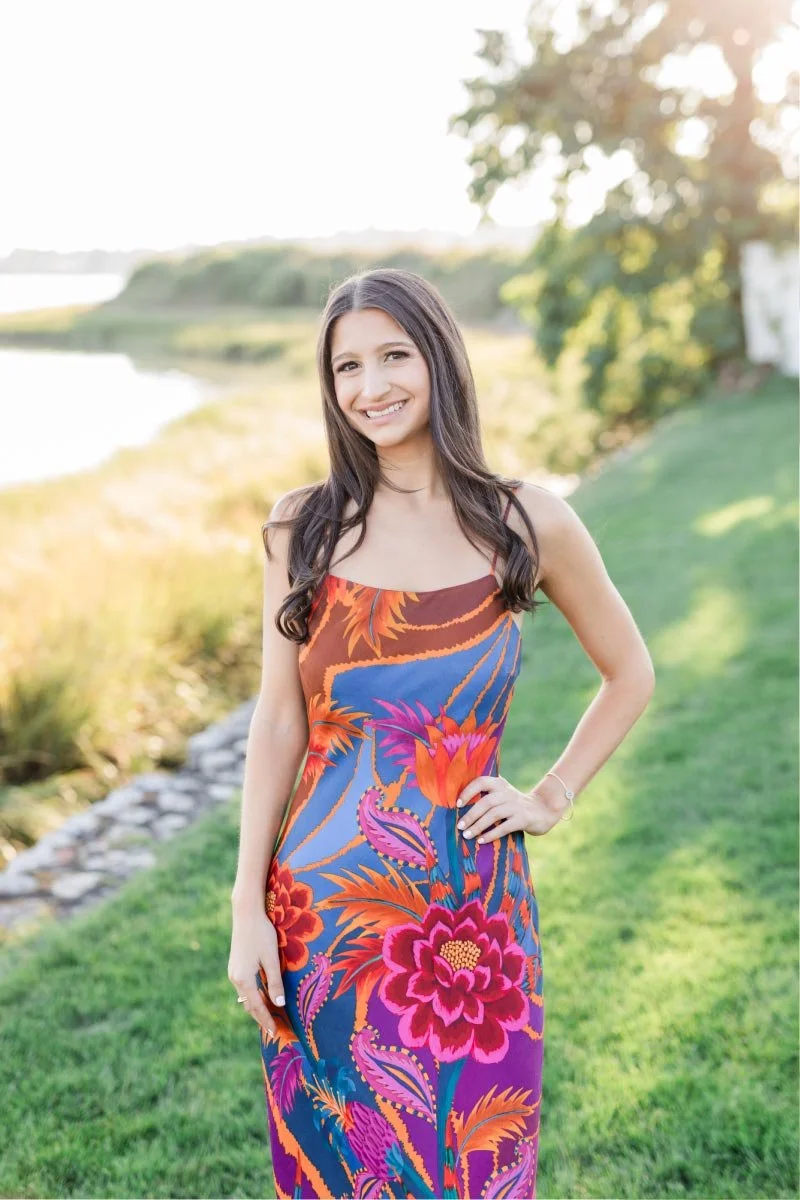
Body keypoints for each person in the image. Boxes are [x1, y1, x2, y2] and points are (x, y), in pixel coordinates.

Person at [228, 267, 656, 1199]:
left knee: (476, 1164)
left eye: (393, 356)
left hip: (475, 920)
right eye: (347, 367)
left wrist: (551, 795)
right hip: (323, 915)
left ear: (440, 361)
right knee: (344, 1167)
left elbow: (631, 672)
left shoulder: (524, 521)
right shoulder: (299, 527)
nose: (370, 386)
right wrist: (245, 909)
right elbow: (278, 720)